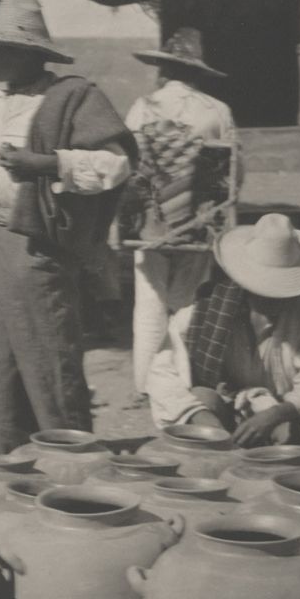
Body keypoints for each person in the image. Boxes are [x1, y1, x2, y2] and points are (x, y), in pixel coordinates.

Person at [0, 0, 136, 453]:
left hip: (37, 243)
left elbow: (115, 166)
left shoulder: (71, 98)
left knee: (49, 355)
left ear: (26, 52)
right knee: (1, 358)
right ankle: (13, 456)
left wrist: (47, 163)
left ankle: (69, 457)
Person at [145, 213, 300, 446]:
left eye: (283, 291)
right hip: (229, 409)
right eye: (265, 290)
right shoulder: (207, 310)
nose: (274, 298)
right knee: (202, 397)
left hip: (283, 412)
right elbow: (162, 375)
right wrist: (203, 419)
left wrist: (274, 414)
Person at [124, 29, 241, 401]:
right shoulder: (217, 111)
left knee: (149, 301)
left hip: (150, 220)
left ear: (163, 68)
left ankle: (145, 385)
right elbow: (235, 169)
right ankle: (182, 380)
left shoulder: (144, 107)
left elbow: (129, 164)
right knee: (188, 299)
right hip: (200, 219)